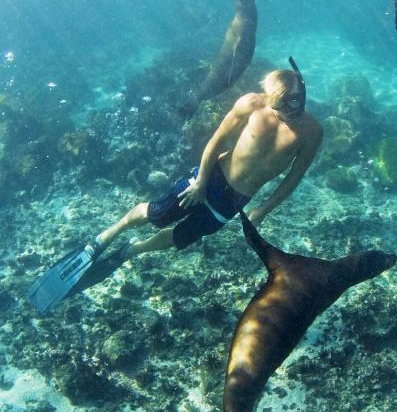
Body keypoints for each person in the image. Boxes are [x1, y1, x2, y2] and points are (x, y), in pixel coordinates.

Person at [27, 58, 323, 314]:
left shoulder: (311, 132)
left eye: (296, 102)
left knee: (183, 236)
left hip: (235, 200)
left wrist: (264, 209)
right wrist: (201, 180)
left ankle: (131, 251)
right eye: (281, 103)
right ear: (270, 97)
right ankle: (108, 235)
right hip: (214, 176)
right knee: (159, 213)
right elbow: (217, 140)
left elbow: (293, 178)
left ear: (303, 94)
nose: (290, 109)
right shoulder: (251, 104)